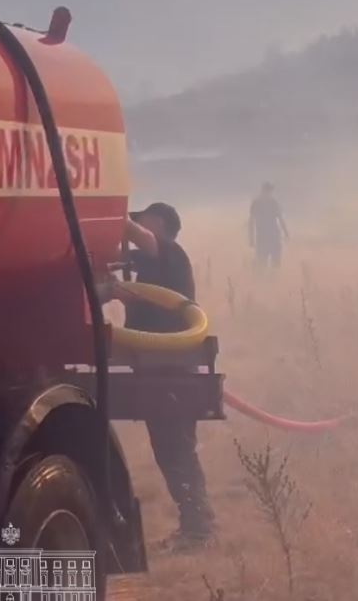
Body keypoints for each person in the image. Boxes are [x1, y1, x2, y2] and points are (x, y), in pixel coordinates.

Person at [122, 202, 216, 551]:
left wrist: (105, 204)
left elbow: (139, 236)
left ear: (159, 224)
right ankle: (194, 525)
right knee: (169, 448)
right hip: (157, 369)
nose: (136, 226)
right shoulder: (146, 263)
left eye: (143, 219)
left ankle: (199, 531)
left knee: (176, 448)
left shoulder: (170, 253)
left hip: (172, 370)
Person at [248, 183, 289, 268]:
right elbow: (251, 221)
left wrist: (286, 233)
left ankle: (270, 279)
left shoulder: (264, 202)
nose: (269, 193)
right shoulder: (269, 202)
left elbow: (280, 219)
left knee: (273, 262)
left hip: (268, 236)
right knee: (264, 262)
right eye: (268, 191)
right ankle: (266, 279)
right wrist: (286, 233)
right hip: (267, 236)